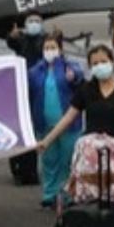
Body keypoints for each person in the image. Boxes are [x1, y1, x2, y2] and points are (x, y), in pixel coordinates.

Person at [35, 44, 114, 179]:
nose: (100, 66)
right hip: (92, 154)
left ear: (112, 62)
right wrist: (46, 141)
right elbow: (68, 118)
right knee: (93, 193)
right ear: (90, 67)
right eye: (95, 63)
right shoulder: (86, 89)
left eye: (103, 61)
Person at [27, 31, 84, 207]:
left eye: (53, 47)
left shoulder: (69, 66)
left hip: (69, 124)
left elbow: (79, 76)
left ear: (59, 49)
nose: (50, 50)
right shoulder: (35, 71)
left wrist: (73, 77)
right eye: (46, 47)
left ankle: (65, 194)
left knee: (67, 160)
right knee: (48, 160)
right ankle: (49, 194)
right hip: (44, 123)